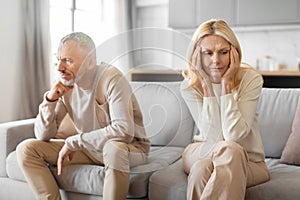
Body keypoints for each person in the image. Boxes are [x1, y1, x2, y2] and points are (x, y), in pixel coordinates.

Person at [16, 32, 150, 200]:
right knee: (27, 149)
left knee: (113, 148)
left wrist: (74, 141)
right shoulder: (66, 85)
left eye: (68, 61)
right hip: (90, 150)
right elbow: (44, 135)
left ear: (90, 63)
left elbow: (123, 130)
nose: (59, 67)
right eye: (59, 60)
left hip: (130, 149)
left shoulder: (111, 78)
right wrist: (50, 100)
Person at [180, 19, 270, 200]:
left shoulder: (250, 80)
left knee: (205, 167)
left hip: (248, 161)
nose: (216, 60)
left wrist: (226, 85)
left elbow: (233, 137)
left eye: (223, 52)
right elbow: (212, 136)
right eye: (208, 53)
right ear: (197, 55)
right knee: (209, 159)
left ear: (234, 53)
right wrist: (206, 86)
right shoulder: (190, 86)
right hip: (202, 150)